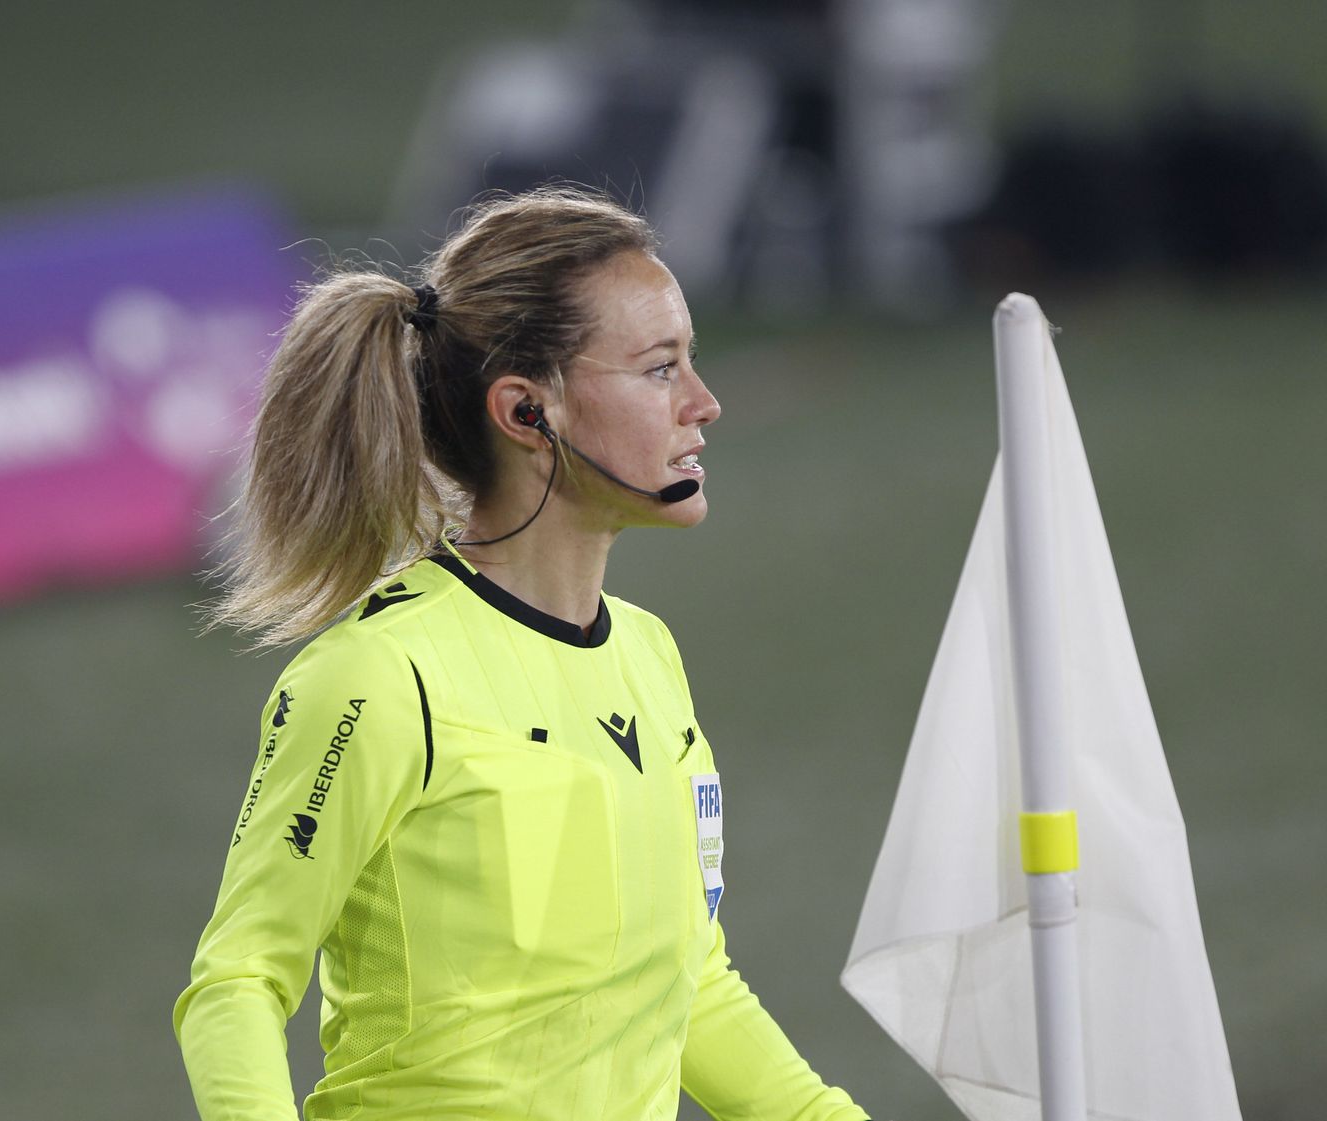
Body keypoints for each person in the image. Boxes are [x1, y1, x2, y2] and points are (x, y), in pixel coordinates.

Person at [174, 187, 868, 1121]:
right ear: (526, 411)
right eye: (660, 369)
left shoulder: (649, 660)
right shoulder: (381, 679)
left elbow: (689, 981)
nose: (703, 403)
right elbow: (239, 979)